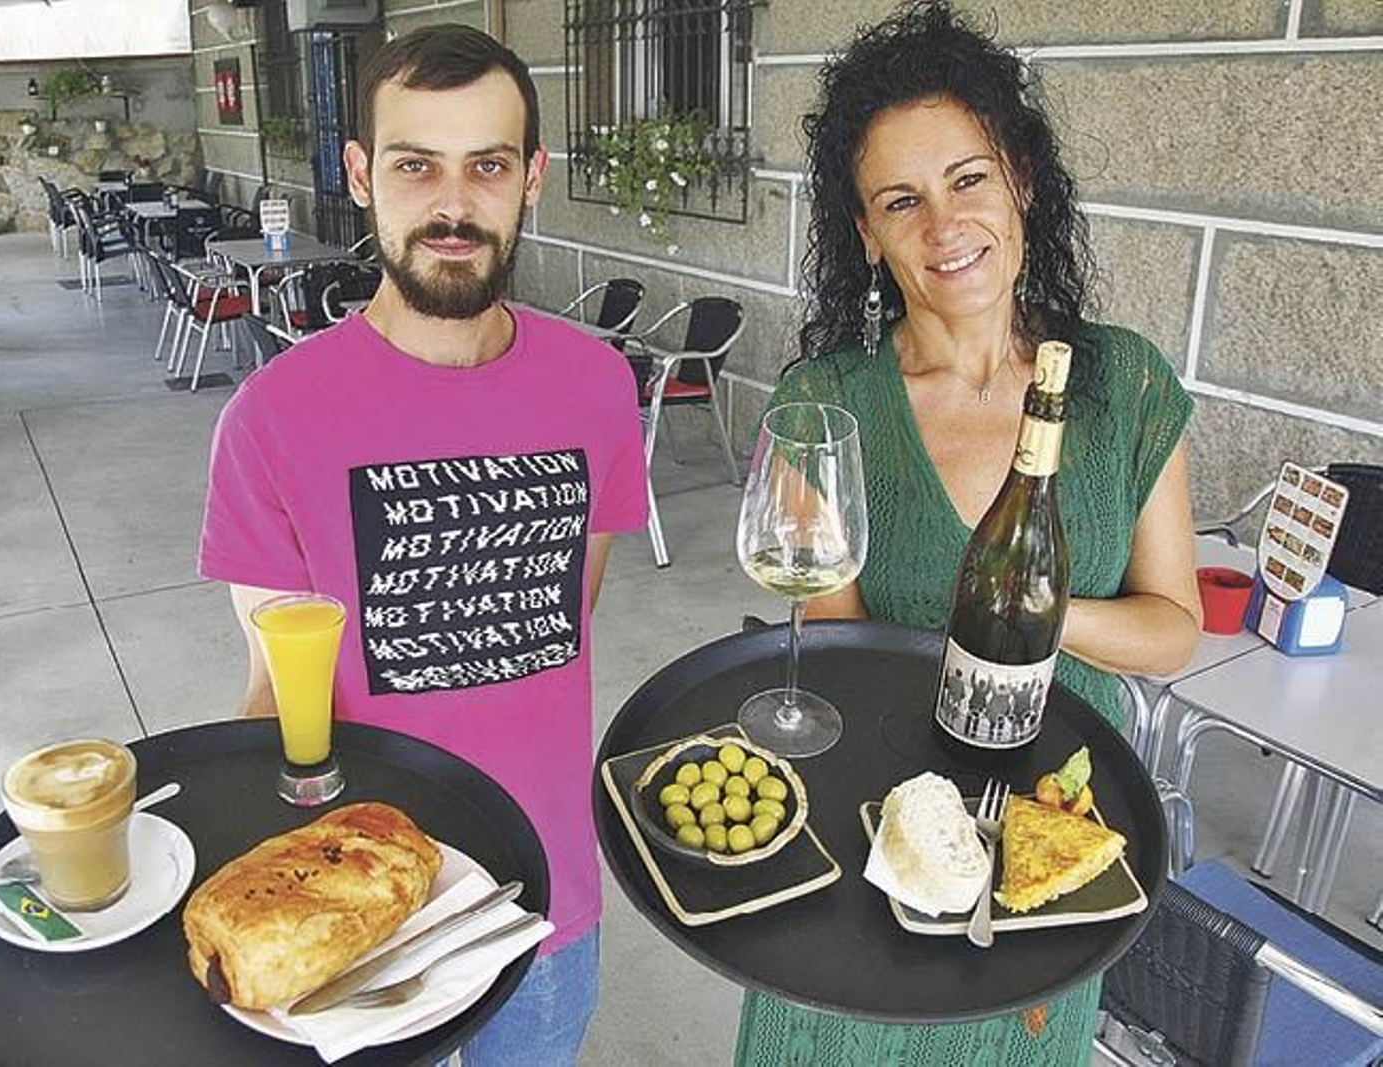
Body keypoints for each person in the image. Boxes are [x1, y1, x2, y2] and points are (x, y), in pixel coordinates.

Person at [733, 3, 1203, 1064]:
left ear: (1021, 180)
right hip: (873, 832)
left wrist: (1031, 614)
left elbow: (1173, 628)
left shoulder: (1124, 384)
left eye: (968, 178)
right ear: (867, 233)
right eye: (901, 200)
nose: (944, 225)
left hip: (1053, 836)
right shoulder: (825, 402)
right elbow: (833, 655)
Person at [198, 25, 648, 1065]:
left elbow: (562, 619)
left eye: (487, 165)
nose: (453, 204)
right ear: (361, 175)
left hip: (541, 902)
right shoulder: (272, 416)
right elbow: (275, 684)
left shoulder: (594, 385)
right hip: (352, 912)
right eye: (415, 165)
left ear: (532, 177)